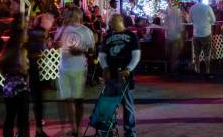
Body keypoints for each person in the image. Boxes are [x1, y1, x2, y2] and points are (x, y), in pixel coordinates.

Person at [95, 14, 141, 137]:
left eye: (114, 21)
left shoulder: (131, 36)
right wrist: (104, 67)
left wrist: (129, 69)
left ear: (121, 21)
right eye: (111, 21)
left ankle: (130, 131)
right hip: (111, 75)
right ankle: (110, 128)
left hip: (125, 75)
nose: (112, 23)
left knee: (128, 105)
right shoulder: (108, 36)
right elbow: (102, 55)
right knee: (109, 104)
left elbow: (136, 55)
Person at [53, 7, 95, 137]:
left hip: (79, 68)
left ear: (77, 16)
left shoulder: (85, 31)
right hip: (64, 68)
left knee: (78, 100)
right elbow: (54, 45)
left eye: (70, 15)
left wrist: (80, 50)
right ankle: (75, 128)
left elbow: (92, 50)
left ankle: (77, 128)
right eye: (67, 15)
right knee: (68, 99)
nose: (67, 17)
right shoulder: (62, 29)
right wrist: (59, 37)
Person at [0, 20, 30, 137]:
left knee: (10, 116)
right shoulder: (20, 50)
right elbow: (24, 68)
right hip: (20, 86)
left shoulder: (9, 47)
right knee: (22, 117)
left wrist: (7, 74)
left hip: (9, 86)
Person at [27, 14, 51, 137]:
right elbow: (41, 50)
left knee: (37, 101)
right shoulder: (37, 33)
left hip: (33, 69)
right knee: (36, 100)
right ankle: (38, 129)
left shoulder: (35, 33)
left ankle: (38, 129)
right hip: (31, 69)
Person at [189, 0, 216, 78]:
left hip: (196, 33)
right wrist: (207, 21)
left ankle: (197, 70)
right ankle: (207, 71)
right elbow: (213, 20)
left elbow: (190, 20)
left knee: (197, 54)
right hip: (206, 32)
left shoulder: (192, 8)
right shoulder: (207, 7)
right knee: (207, 54)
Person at [165, 3, 184, 74]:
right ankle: (173, 69)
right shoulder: (178, 14)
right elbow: (180, 27)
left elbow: (165, 27)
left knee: (170, 54)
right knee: (174, 54)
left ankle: (171, 68)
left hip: (169, 36)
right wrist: (182, 39)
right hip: (176, 36)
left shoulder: (168, 14)